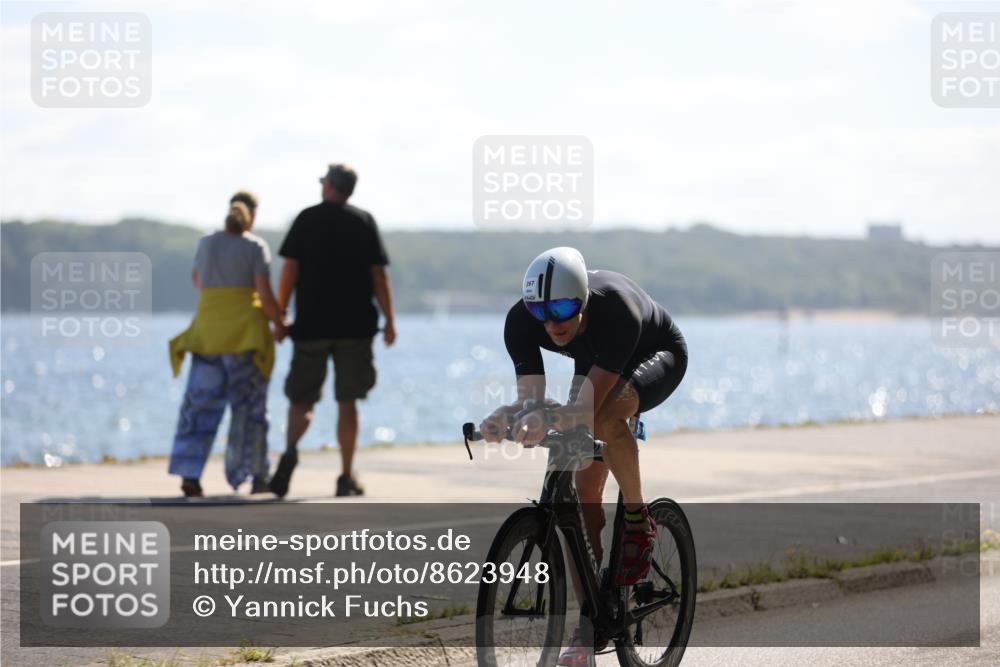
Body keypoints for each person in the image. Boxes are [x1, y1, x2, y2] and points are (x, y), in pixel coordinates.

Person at [478, 247, 687, 666]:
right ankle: (592, 622)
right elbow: (532, 401)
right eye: (542, 311)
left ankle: (638, 519)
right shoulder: (522, 321)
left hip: (653, 351)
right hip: (595, 359)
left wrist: (546, 415)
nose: (552, 321)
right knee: (581, 490)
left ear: (584, 300)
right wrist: (508, 415)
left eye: (563, 307)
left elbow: (588, 411)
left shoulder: (617, 312)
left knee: (607, 419)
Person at [270, 164, 396, 498]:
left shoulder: (306, 219)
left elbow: (289, 271)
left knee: (302, 398)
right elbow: (378, 275)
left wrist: (280, 314)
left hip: (311, 325)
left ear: (328, 185)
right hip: (355, 328)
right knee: (347, 402)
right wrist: (390, 320)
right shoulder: (363, 221)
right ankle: (345, 475)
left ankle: (291, 451)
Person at [168, 191, 286, 497]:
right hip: (244, 338)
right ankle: (254, 473)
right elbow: (265, 294)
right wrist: (281, 323)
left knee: (198, 408)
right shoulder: (255, 247)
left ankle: (189, 474)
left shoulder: (206, 243)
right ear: (254, 216)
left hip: (207, 336)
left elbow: (198, 281)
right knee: (250, 411)